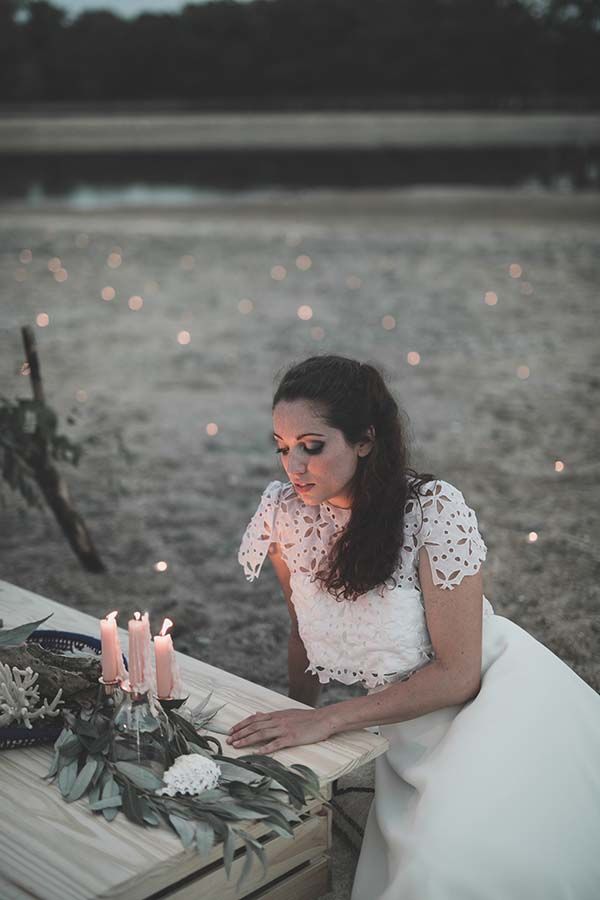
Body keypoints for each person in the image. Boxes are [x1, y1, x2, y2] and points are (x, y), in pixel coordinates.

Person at [229, 354, 600, 899]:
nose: (294, 467)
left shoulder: (433, 510)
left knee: (452, 869)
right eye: (283, 447)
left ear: (364, 440)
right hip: (400, 726)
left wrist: (329, 720)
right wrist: (298, 723)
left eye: (312, 445)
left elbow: (459, 674)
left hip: (489, 701)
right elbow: (300, 634)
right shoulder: (286, 514)